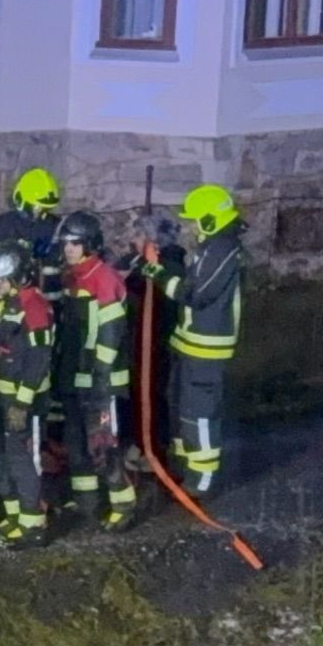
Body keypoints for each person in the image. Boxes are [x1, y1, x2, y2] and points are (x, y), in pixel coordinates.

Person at [139, 184, 246, 496]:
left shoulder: (222, 249)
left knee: (199, 412)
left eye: (197, 220)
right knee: (181, 406)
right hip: (190, 343)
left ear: (211, 219)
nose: (193, 226)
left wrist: (159, 276)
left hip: (207, 347)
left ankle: (203, 477)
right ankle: (184, 466)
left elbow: (197, 294)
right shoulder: (210, 247)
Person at [55, 210, 137, 532]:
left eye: (75, 244)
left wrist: (100, 374)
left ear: (90, 244)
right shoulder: (72, 277)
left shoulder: (105, 278)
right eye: (66, 244)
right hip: (75, 375)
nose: (69, 250)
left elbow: (111, 332)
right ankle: (87, 501)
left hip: (100, 380)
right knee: (75, 442)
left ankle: (123, 503)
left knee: (103, 444)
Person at [0, 239, 56, 547]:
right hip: (1, 396)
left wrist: (22, 403)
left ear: (17, 275)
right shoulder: (7, 303)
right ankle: (14, 515)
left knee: (23, 461)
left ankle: (33, 525)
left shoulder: (33, 305)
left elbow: (38, 358)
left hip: (26, 400)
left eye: (0, 278)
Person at [0, 167, 64, 273]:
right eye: (36, 206)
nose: (40, 210)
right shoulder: (7, 222)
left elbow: (55, 253)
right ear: (23, 201)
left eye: (45, 207)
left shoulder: (53, 226)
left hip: (38, 282)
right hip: (6, 280)